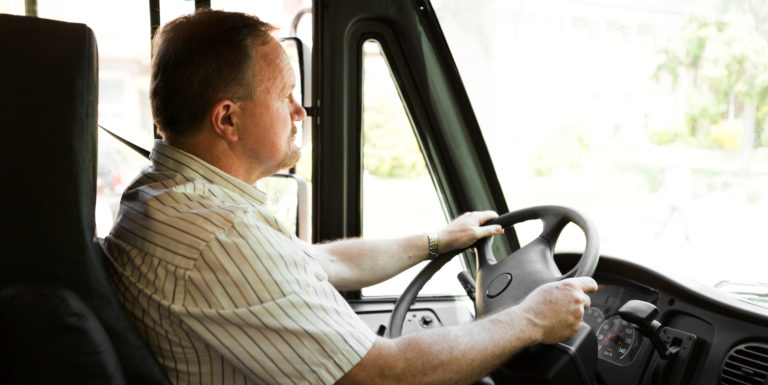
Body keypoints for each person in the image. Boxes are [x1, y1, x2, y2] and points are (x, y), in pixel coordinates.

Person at [103, 9, 597, 385]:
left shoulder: (165, 195)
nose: (300, 111)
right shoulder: (216, 236)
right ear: (227, 119)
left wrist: (436, 240)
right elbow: (385, 376)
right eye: (285, 95)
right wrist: (531, 319)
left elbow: (323, 262)